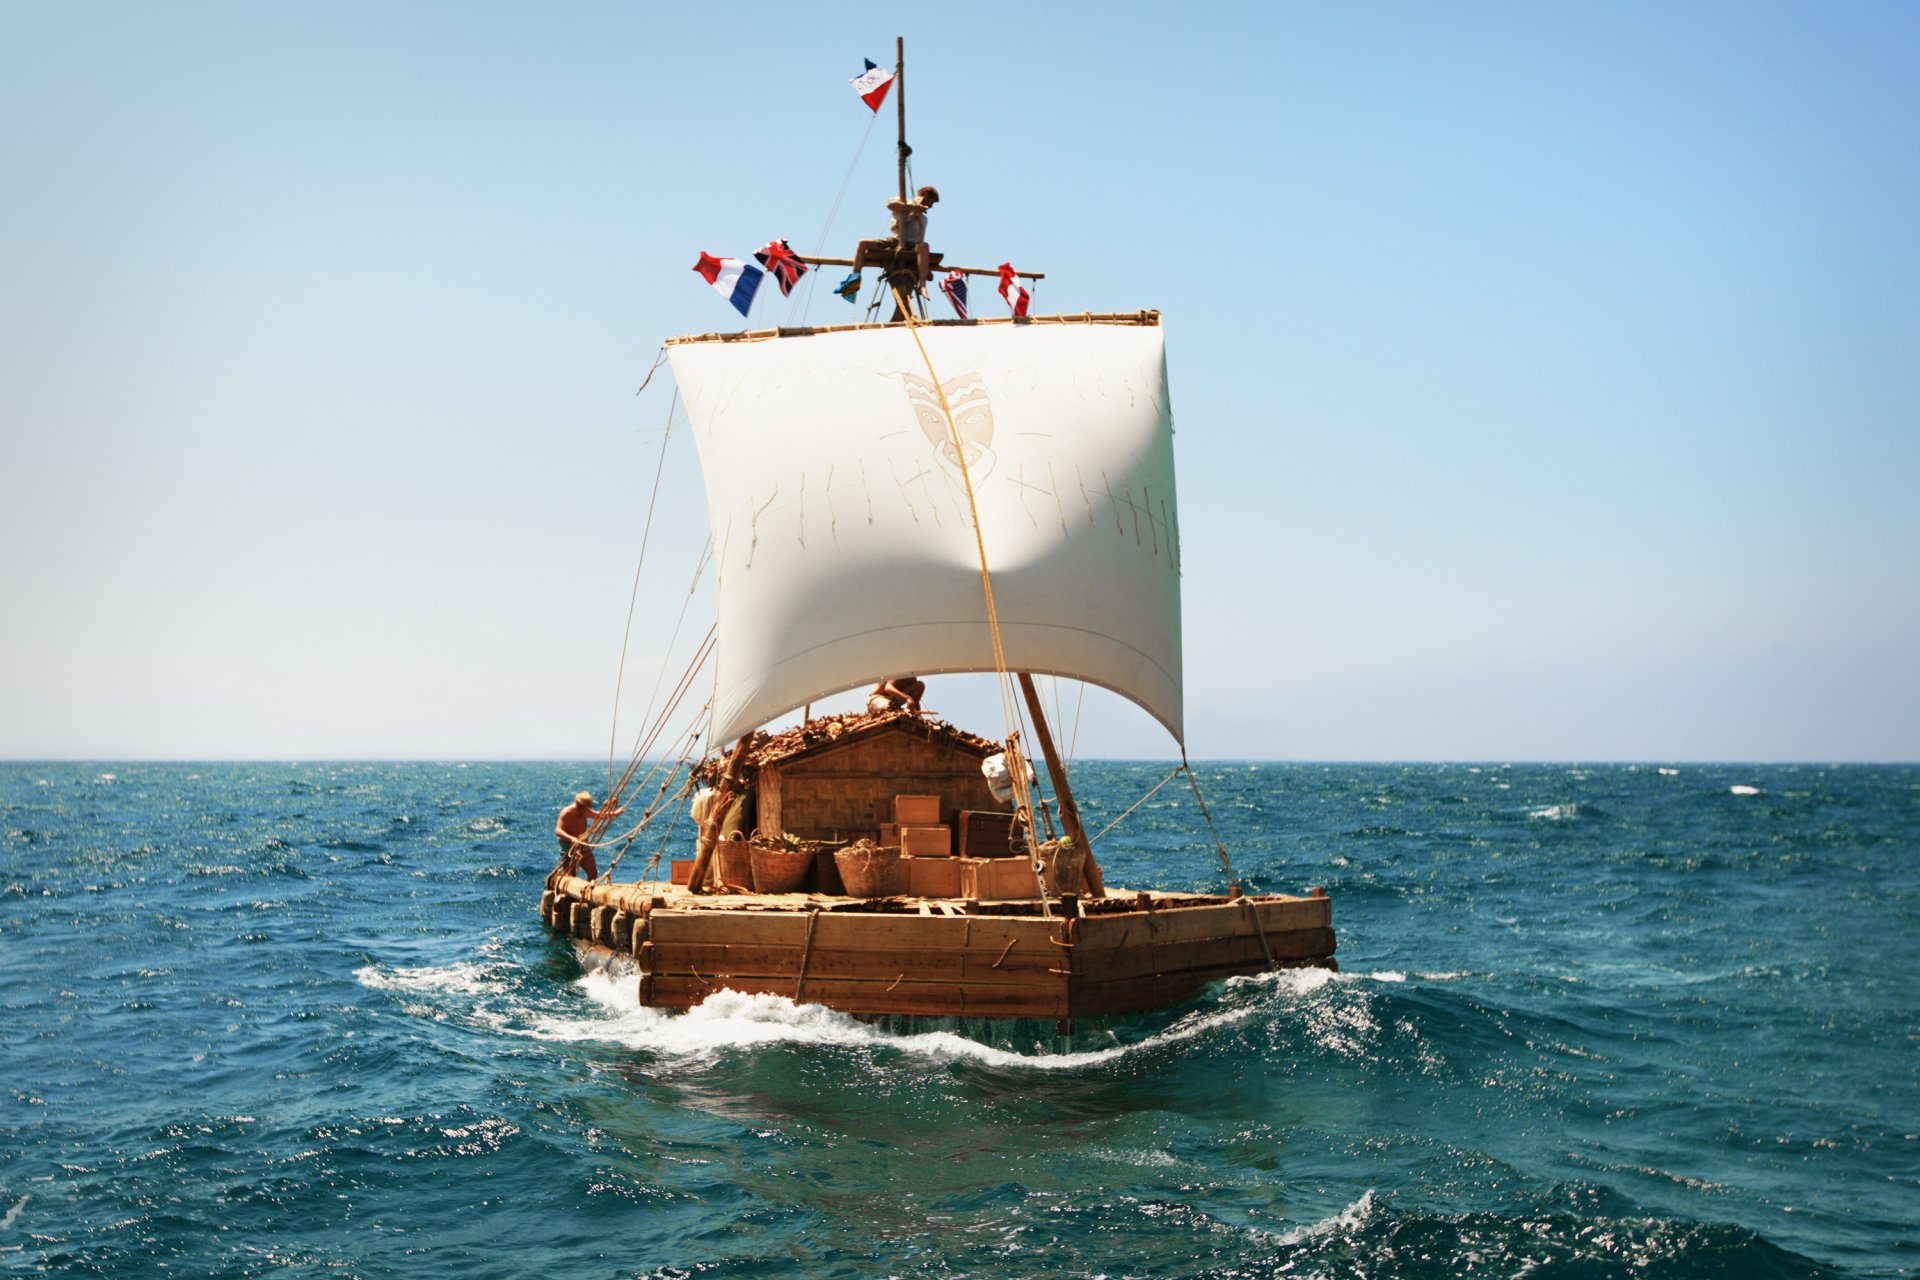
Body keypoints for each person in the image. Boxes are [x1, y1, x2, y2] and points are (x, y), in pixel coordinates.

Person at [555, 790, 622, 880]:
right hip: (568, 846)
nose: (585, 811)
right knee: (570, 875)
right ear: (578, 804)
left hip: (582, 844)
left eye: (587, 808)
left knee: (593, 873)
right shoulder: (566, 813)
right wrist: (571, 838)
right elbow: (558, 830)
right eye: (583, 808)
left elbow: (599, 815)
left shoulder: (585, 810)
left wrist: (615, 813)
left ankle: (587, 887)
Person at [885, 185, 939, 285]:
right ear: (925, 195)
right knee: (863, 244)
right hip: (895, 242)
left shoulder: (924, 219)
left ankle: (922, 285)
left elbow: (920, 241)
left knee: (923, 246)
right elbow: (890, 205)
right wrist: (912, 208)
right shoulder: (904, 201)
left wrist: (926, 266)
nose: (931, 206)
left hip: (912, 247)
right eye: (931, 202)